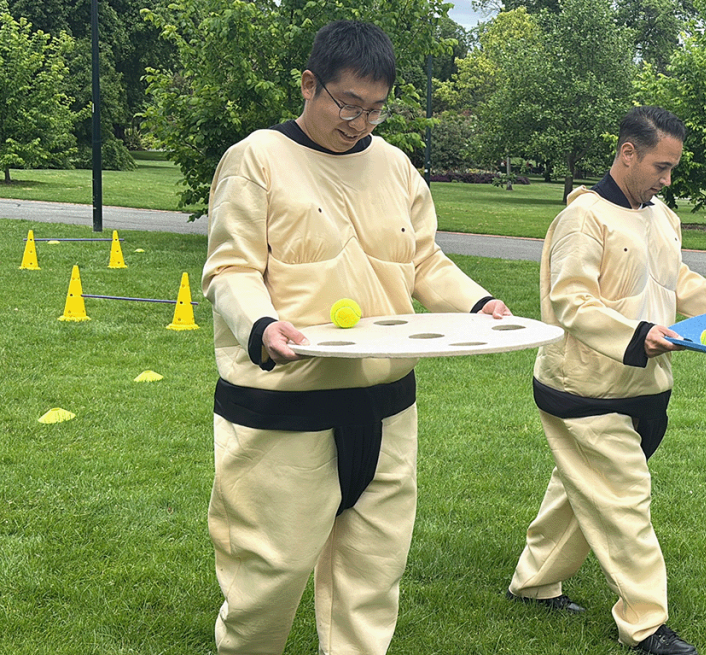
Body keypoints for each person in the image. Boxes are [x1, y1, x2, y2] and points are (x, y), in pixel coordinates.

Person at [201, 19, 510, 655]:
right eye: (348, 103)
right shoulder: (256, 158)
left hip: (386, 401)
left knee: (373, 567)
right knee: (271, 569)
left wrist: (478, 302)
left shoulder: (395, 165)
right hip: (286, 401)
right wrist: (260, 325)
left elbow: (425, 261)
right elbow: (231, 268)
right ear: (310, 84)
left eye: (375, 109)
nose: (360, 121)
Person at [505, 106, 706, 655]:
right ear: (627, 154)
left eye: (672, 169)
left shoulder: (662, 216)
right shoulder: (583, 218)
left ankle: (533, 581)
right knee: (624, 499)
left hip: (646, 385)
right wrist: (636, 333)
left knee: (579, 492)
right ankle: (646, 625)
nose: (667, 180)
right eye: (661, 167)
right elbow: (569, 300)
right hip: (582, 387)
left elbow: (677, 280)